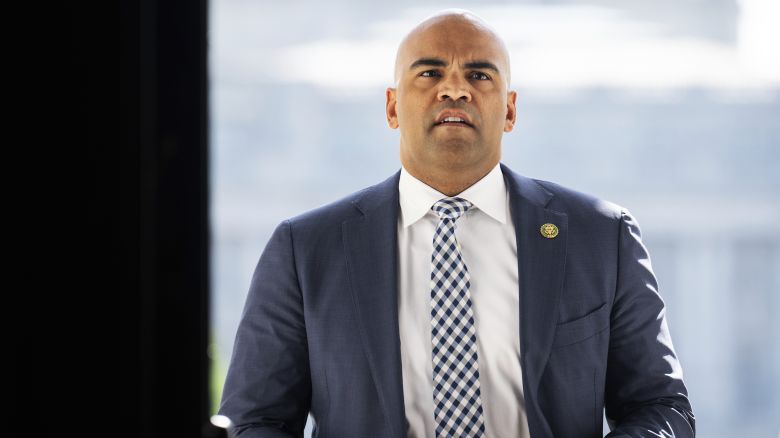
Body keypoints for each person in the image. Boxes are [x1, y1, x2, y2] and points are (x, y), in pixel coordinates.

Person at [218, 9, 695, 438]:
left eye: (479, 74)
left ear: (509, 110)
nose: (455, 88)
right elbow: (256, 420)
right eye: (429, 72)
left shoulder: (601, 237)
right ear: (391, 107)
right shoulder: (305, 249)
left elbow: (661, 408)